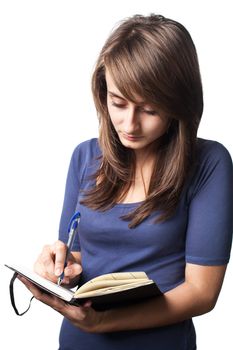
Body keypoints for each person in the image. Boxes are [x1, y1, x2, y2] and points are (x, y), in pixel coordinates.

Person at [19, 13, 233, 350]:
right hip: (78, 342)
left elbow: (202, 293)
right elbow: (75, 259)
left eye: (148, 109)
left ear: (179, 104)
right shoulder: (85, 157)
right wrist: (59, 267)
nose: (129, 123)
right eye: (118, 103)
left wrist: (104, 321)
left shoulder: (209, 163)